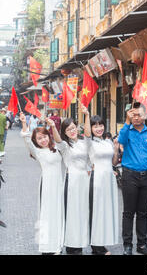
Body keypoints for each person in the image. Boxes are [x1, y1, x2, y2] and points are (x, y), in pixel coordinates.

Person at [19, 112, 65, 255]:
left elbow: (61, 143)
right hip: (46, 186)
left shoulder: (57, 147)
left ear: (48, 136)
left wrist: (53, 126)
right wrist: (23, 122)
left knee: (58, 213)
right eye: (39, 138)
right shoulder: (37, 152)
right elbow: (27, 139)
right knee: (46, 215)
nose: (43, 140)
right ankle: (45, 247)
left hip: (59, 185)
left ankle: (58, 244)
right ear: (36, 141)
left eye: (44, 136)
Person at [48, 104, 91, 255]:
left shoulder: (83, 143)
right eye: (68, 129)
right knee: (71, 214)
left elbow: (88, 134)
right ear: (65, 132)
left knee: (82, 213)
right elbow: (58, 141)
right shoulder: (66, 146)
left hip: (84, 182)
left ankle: (79, 244)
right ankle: (71, 247)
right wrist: (53, 126)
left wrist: (87, 115)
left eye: (74, 128)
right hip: (71, 182)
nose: (72, 131)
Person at [118, 104, 147, 255]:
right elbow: (121, 139)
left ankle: (142, 244)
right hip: (129, 175)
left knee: (143, 212)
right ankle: (127, 245)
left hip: (146, 176)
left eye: (139, 115)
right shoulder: (127, 131)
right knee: (128, 212)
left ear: (145, 116)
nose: (136, 117)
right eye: (133, 115)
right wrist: (127, 122)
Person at [87, 115, 120, 255]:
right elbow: (87, 134)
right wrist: (87, 115)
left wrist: (116, 148)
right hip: (97, 179)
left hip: (109, 179)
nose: (99, 128)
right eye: (95, 126)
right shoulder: (89, 142)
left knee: (106, 211)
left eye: (101, 125)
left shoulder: (107, 142)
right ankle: (96, 246)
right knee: (97, 211)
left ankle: (101, 241)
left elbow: (113, 162)